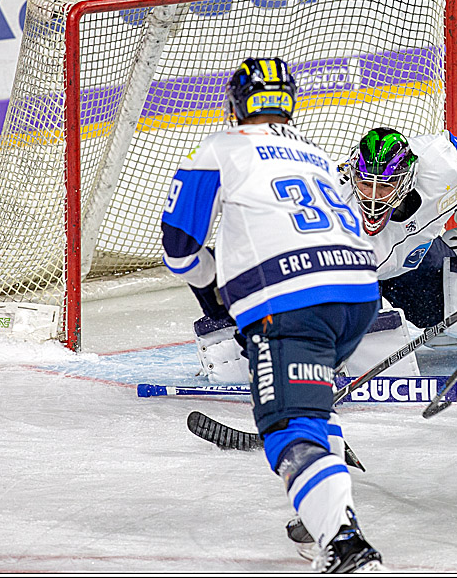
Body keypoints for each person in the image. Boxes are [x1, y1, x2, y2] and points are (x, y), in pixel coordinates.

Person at [160, 57, 384, 570]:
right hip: (358, 294)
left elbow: (179, 250)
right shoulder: (317, 155)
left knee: (288, 425)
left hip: (292, 303)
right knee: (314, 411)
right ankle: (321, 516)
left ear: (236, 103)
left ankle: (345, 544)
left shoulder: (220, 148)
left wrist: (214, 288)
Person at [341, 125, 457, 347]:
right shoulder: (332, 204)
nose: (373, 198)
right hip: (354, 276)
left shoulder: (445, 162)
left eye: (384, 186)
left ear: (406, 180)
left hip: (414, 267)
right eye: (365, 184)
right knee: (360, 346)